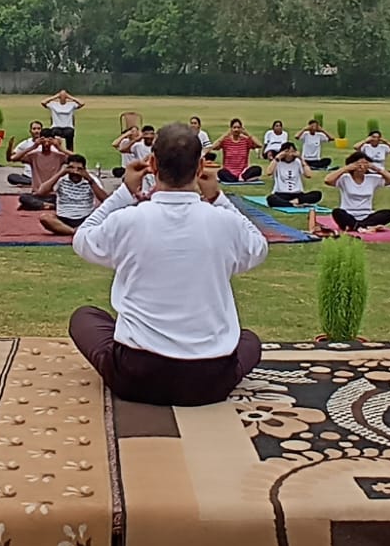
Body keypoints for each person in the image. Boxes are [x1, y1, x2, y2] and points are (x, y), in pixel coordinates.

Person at [70, 122, 269, 406]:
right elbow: (258, 246)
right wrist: (218, 199)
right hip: (209, 379)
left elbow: (82, 238)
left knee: (84, 317)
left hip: (137, 374)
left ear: (152, 164)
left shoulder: (129, 219)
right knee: (249, 341)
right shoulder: (224, 221)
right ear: (201, 167)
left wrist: (124, 192)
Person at [34, 153, 106, 236]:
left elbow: (105, 200)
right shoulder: (61, 179)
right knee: (45, 218)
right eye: (71, 168)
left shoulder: (92, 180)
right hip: (63, 218)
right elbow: (41, 192)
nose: (75, 172)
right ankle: (74, 232)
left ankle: (66, 230)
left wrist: (89, 179)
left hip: (85, 217)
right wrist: (61, 173)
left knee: (107, 217)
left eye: (79, 169)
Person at [324, 152, 390, 232]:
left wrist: (376, 168)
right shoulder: (344, 178)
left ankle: (358, 226)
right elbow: (327, 180)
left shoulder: (372, 178)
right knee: (337, 212)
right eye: (358, 164)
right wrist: (345, 169)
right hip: (348, 215)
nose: (362, 166)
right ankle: (365, 227)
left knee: (389, 213)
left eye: (365, 163)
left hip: (367, 215)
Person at [16, 134, 72, 210]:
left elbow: (79, 159)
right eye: (44, 142)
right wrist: (33, 147)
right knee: (23, 197)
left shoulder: (59, 156)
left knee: (65, 199)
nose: (46, 145)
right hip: (37, 194)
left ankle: (39, 205)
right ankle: (47, 205)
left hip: (53, 195)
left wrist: (60, 148)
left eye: (49, 142)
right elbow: (13, 158)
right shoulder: (33, 156)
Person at [267, 141, 323, 207]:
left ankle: (294, 202)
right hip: (281, 194)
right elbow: (269, 172)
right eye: (287, 151)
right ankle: (291, 204)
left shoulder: (298, 162)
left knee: (317, 194)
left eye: (292, 152)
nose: (290, 154)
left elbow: (309, 175)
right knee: (271, 199)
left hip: (297, 194)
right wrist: (278, 157)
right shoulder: (277, 162)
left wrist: (301, 159)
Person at [211, 119, 263, 183]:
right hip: (229, 172)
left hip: (243, 172)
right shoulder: (226, 141)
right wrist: (225, 135)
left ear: (241, 129)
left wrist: (247, 134)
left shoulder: (246, 141)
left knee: (258, 169)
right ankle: (237, 179)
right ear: (231, 129)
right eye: (234, 127)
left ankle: (241, 177)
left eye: (238, 128)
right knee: (221, 172)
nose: (236, 130)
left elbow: (259, 145)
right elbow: (213, 147)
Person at [7, 121, 46, 186]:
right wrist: (10, 147)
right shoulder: (26, 143)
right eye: (34, 129)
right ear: (30, 131)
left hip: (42, 175)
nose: (36, 131)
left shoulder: (47, 143)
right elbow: (10, 158)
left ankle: (34, 182)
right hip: (27, 176)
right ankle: (32, 182)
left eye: (39, 129)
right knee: (11, 177)